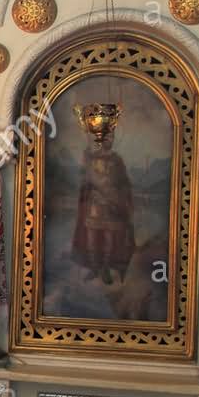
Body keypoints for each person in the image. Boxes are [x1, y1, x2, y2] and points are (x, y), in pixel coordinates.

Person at [70, 102, 136, 285]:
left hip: (112, 205)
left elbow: (124, 182)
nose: (107, 140)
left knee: (109, 238)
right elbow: (84, 182)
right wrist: (86, 169)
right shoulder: (90, 159)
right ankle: (94, 267)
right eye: (104, 137)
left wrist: (120, 198)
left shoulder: (117, 160)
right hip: (94, 205)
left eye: (110, 137)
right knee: (92, 238)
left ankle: (106, 267)